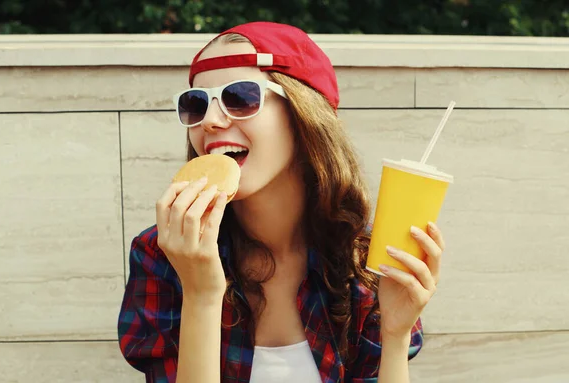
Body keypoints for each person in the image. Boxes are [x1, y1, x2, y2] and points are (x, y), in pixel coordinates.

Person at [118, 21, 446, 383]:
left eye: (240, 97)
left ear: (303, 116)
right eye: (196, 104)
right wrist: (201, 295)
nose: (209, 121)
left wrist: (395, 340)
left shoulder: (363, 255)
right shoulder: (163, 254)